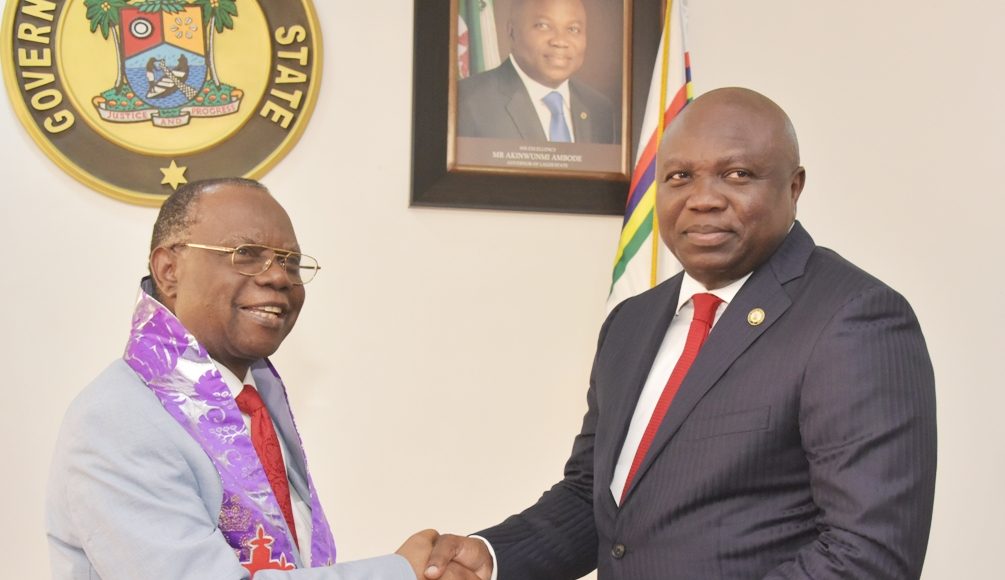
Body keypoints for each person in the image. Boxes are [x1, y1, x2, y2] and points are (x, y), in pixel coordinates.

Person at [425, 88, 938, 579]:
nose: (703, 199)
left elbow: (867, 556)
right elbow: (596, 497)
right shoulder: (631, 322)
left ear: (793, 187)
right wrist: (494, 558)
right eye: (679, 177)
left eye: (737, 174)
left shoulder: (854, 319)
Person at [46, 178, 485, 580]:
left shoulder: (256, 402)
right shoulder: (118, 420)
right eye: (246, 254)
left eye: (290, 262)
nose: (278, 277)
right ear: (169, 270)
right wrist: (399, 574)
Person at [456, 0, 618, 144]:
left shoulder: (599, 108)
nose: (560, 41)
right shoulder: (465, 101)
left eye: (573, 29)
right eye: (543, 26)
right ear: (512, 32)